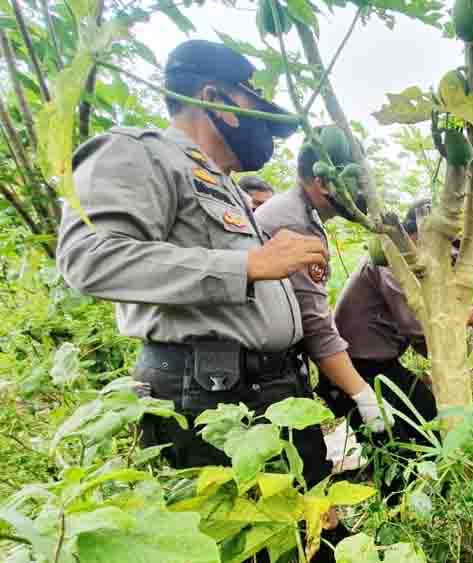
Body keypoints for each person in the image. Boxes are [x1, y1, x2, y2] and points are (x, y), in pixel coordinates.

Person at [56, 40, 351, 560]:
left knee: (309, 538)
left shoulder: (226, 185)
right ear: (214, 97)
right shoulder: (139, 152)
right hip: (211, 398)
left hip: (268, 390)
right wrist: (248, 266)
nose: (266, 126)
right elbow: (89, 258)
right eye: (251, 101)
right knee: (250, 547)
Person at [327, 199, 473, 499]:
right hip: (355, 370)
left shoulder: (412, 261)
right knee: (389, 447)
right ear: (420, 233)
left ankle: (440, 493)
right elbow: (417, 324)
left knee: (428, 418)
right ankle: (397, 510)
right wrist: (464, 318)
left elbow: (422, 337)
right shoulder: (393, 261)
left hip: (383, 365)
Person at [254, 128, 396, 448]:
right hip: (262, 373)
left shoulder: (301, 214)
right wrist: (363, 394)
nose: (361, 191)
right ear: (322, 182)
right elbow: (315, 327)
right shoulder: (295, 224)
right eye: (354, 181)